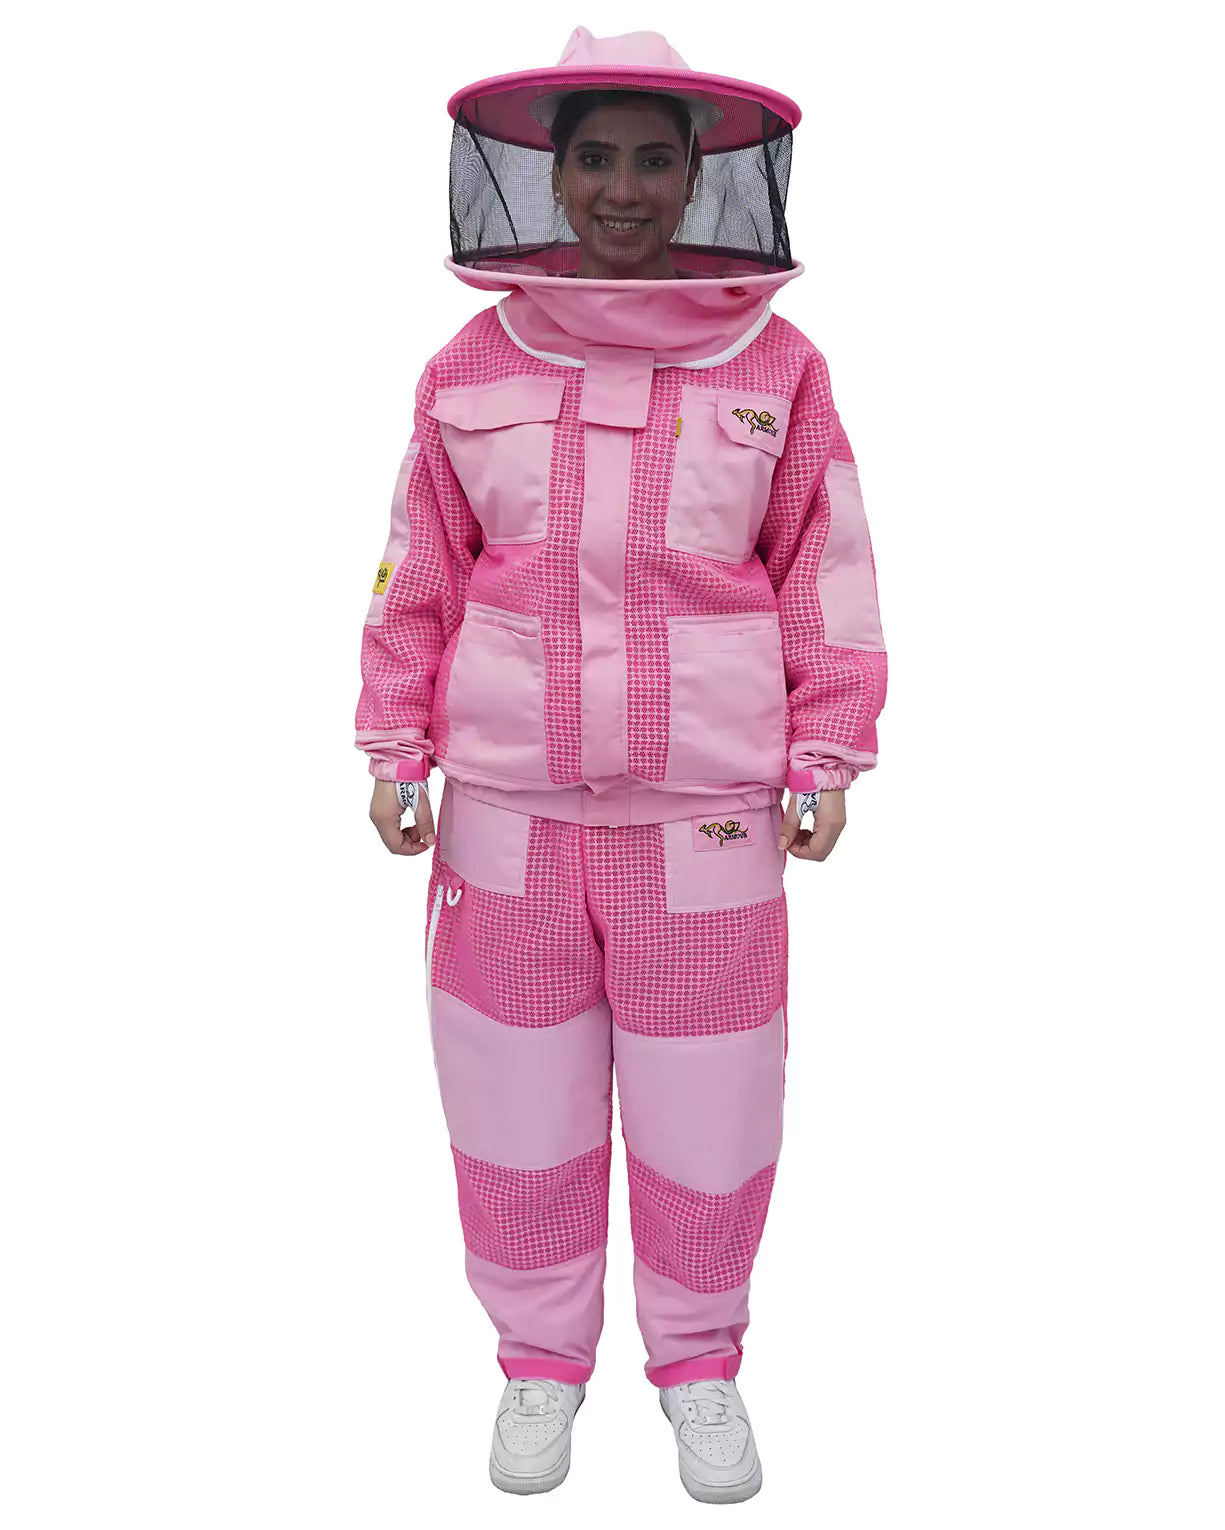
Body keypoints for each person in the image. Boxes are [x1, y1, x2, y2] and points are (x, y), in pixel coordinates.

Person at [354, 25, 887, 1504]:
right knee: (512, 1101)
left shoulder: (776, 364)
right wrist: (394, 739)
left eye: (655, 160)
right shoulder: (471, 365)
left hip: (704, 821)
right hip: (506, 818)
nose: (624, 188)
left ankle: (700, 1366)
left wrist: (830, 748)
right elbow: (418, 567)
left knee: (709, 1108)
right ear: (551, 173)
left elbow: (824, 565)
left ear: (703, 176)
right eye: (595, 158)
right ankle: (539, 1364)